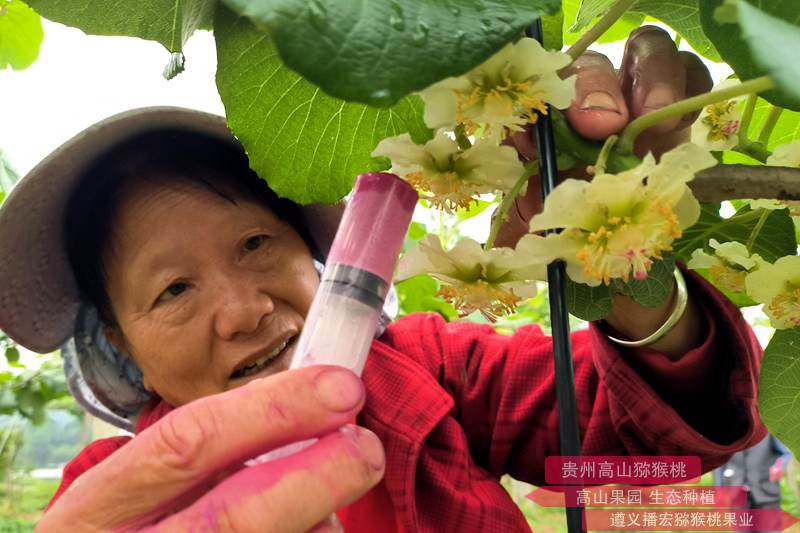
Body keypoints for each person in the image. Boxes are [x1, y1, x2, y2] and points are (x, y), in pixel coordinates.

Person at [0, 27, 768, 532]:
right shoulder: (111, 496)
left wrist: (623, 263)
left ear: (318, 257)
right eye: (173, 290)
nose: (244, 310)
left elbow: (629, 435)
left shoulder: (434, 367)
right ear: (119, 339)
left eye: (258, 243)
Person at [714, 434, 794, 533]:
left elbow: (786, 454)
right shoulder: (727, 431)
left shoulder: (768, 430)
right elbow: (718, 462)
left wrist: (779, 466)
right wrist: (719, 488)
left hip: (766, 492)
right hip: (737, 494)